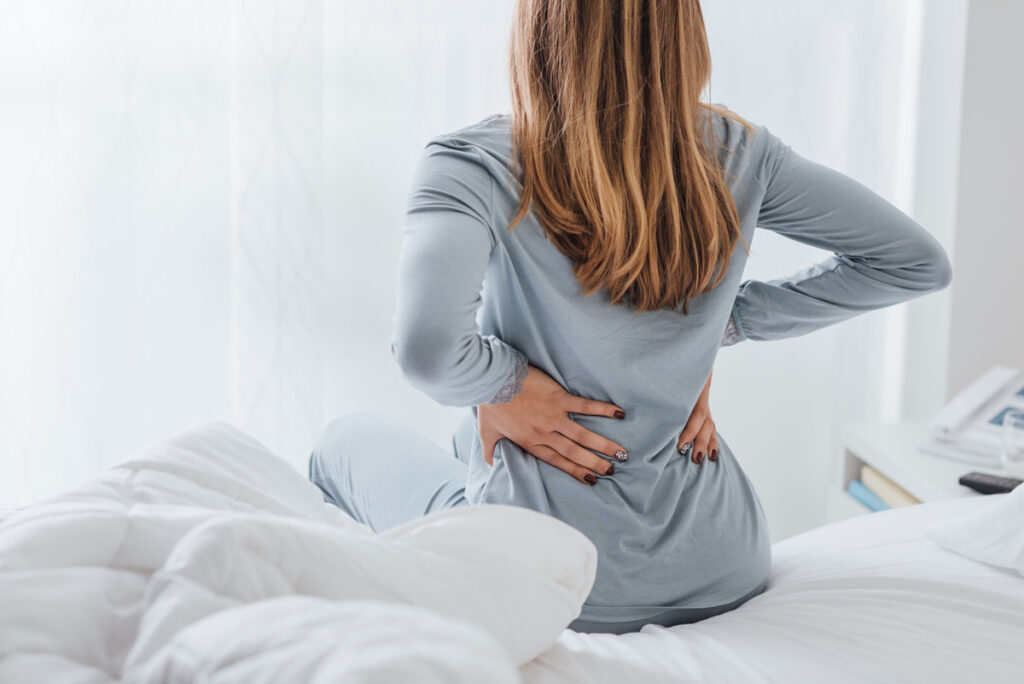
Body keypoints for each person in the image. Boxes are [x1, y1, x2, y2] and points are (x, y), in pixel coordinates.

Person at [308, 0, 953, 634]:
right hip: (720, 564)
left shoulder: (474, 162)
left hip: (546, 571)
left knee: (339, 443)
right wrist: (719, 327)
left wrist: (506, 385)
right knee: (461, 438)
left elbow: (426, 351)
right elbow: (916, 262)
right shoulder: (741, 153)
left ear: (540, 29)